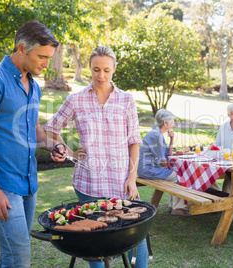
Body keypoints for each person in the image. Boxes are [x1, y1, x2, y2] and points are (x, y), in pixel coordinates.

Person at [0, 20, 65, 267]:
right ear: (21, 49)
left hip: (28, 180)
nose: (46, 64)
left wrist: (57, 146)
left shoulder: (34, 86)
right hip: (1, 181)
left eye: (49, 58)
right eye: (42, 57)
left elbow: (33, 133)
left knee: (13, 252)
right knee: (18, 255)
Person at [44, 46, 147, 268]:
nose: (101, 76)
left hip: (120, 182)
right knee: (94, 243)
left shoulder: (126, 100)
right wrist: (70, 152)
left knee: (136, 240)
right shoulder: (77, 100)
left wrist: (132, 177)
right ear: (90, 68)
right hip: (88, 183)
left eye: (107, 70)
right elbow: (52, 128)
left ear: (114, 70)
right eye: (96, 69)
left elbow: (134, 142)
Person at [138, 109, 189, 216]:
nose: (174, 124)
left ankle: (173, 206)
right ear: (165, 123)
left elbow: (168, 155)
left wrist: (172, 139)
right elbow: (162, 161)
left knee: (174, 175)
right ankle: (177, 208)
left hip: (148, 168)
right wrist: (170, 168)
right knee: (179, 176)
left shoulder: (157, 134)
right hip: (148, 170)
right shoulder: (156, 136)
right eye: (172, 121)